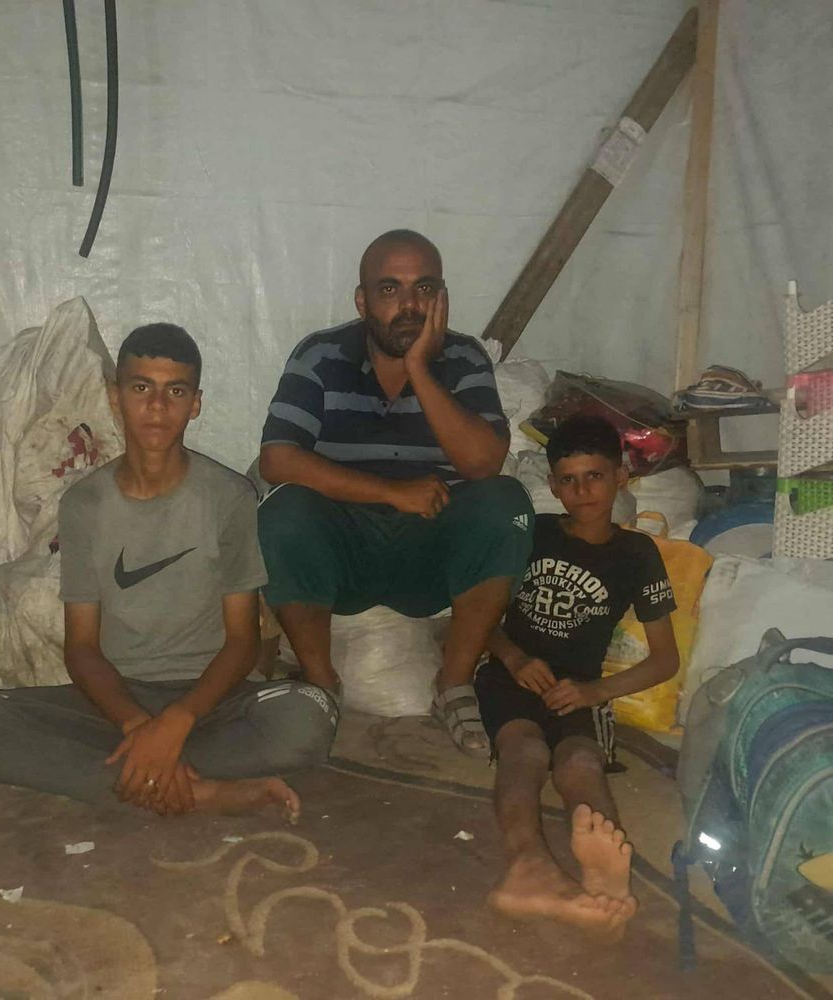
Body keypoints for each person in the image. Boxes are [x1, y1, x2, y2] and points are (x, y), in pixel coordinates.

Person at [0, 324, 337, 819]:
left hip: (209, 699)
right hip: (113, 704)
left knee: (308, 716)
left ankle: (135, 775)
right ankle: (197, 788)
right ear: (115, 397)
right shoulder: (85, 504)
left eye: (176, 391)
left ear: (195, 404)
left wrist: (176, 722)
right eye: (141, 387)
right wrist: (135, 725)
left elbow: (242, 642)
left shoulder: (229, 497)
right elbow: (81, 647)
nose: (157, 406)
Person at [257, 229, 533, 757]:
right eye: (390, 290)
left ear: (442, 298)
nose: (409, 305)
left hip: (433, 549)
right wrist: (391, 492)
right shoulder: (319, 356)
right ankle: (322, 685)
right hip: (346, 552)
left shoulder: (464, 358)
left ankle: (452, 684)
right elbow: (277, 459)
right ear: (362, 301)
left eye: (424, 289)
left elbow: (483, 462)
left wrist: (420, 371)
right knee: (284, 512)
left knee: (507, 506)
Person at [475, 414, 680, 935]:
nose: (581, 490)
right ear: (552, 487)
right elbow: (476, 617)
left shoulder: (638, 554)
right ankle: (527, 866)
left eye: (594, 476)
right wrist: (515, 658)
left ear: (620, 478)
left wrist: (595, 691)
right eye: (568, 479)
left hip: (583, 687)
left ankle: (604, 872)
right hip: (511, 670)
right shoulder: (535, 534)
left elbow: (664, 660)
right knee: (525, 751)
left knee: (580, 762)